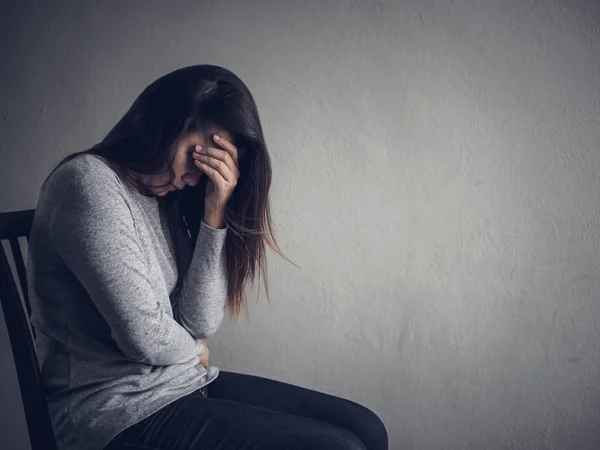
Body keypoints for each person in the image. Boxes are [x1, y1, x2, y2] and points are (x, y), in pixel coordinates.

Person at [26, 64, 388, 450]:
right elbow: (145, 338)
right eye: (195, 156)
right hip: (108, 412)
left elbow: (198, 320)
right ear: (161, 126)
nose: (195, 178)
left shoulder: (160, 197)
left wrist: (215, 213)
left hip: (182, 386)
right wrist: (194, 349)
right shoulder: (87, 184)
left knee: (365, 428)